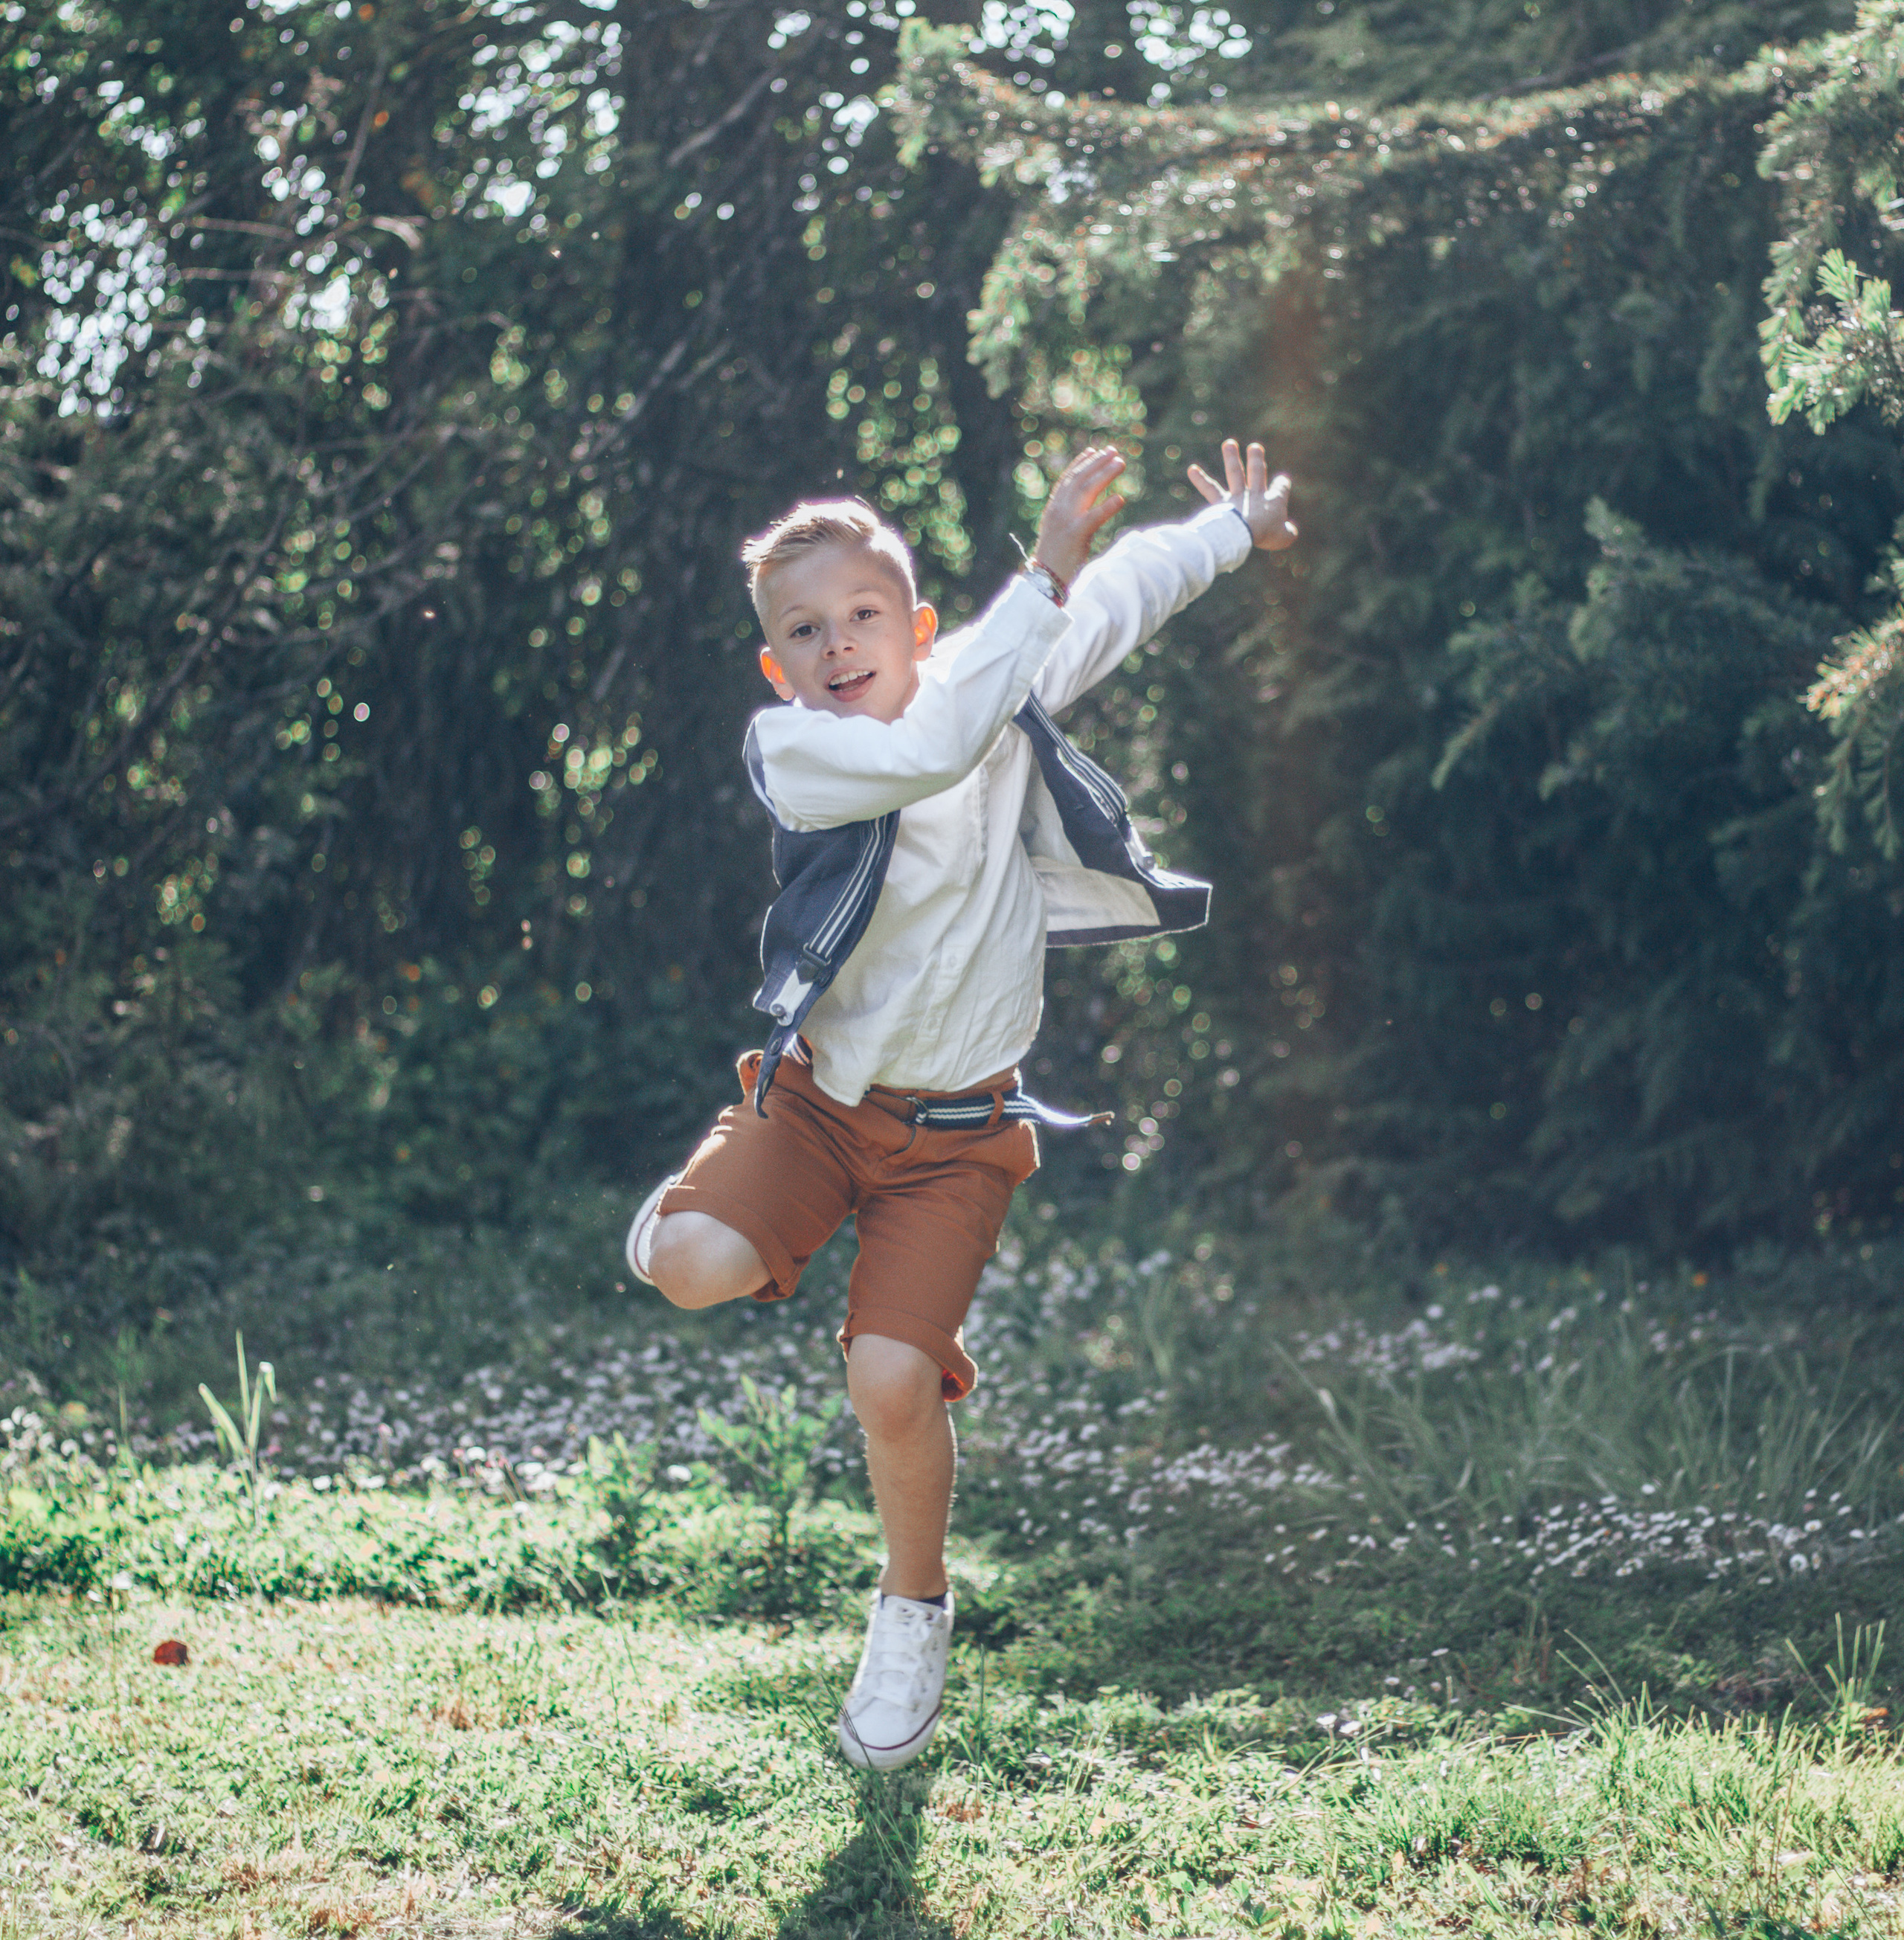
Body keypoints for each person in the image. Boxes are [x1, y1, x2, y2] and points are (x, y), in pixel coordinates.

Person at [625, 437, 1296, 1770]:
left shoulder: (1002, 673)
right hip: (819, 1101)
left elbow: (1116, 593)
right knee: (691, 1265)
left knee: (890, 1379)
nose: (835, 646)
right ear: (778, 668)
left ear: (919, 626)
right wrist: (1038, 573)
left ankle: (912, 1608)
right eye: (803, 631)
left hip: (954, 1137)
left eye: (864, 616)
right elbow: (934, 751)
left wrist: (1232, 530)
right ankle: (700, 1187)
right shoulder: (797, 752)